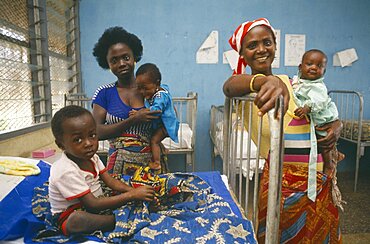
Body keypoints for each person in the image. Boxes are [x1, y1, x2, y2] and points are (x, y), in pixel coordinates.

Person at [223, 18, 343, 243]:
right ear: (242, 54)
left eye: (267, 42)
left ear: (275, 46)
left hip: (319, 178)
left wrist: (338, 125)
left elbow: (322, 109)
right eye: (252, 45)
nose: (261, 49)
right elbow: (228, 86)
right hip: (283, 185)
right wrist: (264, 82)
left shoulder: (294, 83)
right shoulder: (245, 90)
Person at [49, 105, 155, 236]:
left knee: (128, 188)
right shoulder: (66, 170)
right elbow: (92, 204)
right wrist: (131, 195)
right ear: (61, 144)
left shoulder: (92, 157)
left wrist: (133, 191)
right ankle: (115, 221)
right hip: (70, 213)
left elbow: (110, 181)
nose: (88, 143)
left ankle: (113, 217)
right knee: (77, 220)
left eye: (92, 135)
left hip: (95, 203)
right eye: (78, 139)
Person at [92, 26, 168, 176]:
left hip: (151, 165)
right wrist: (133, 120)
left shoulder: (152, 89)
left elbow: (169, 120)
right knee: (119, 198)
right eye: (114, 60)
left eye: (126, 57)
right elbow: (96, 131)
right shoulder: (104, 93)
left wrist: (158, 140)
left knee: (153, 197)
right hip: (118, 169)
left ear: (135, 58)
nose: (121, 63)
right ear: (107, 64)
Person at [293, 49, 345, 176]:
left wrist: (307, 108)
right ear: (300, 67)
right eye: (309, 64)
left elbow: (320, 101)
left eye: (319, 66)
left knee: (323, 141)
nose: (314, 68)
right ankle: (336, 154)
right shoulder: (298, 82)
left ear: (324, 71)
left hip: (323, 118)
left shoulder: (319, 86)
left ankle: (329, 166)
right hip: (314, 118)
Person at [131, 63, 179, 171]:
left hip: (165, 126)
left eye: (145, 88)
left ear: (156, 83)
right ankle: (162, 148)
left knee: (154, 140)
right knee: (154, 136)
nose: (142, 92)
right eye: (139, 88)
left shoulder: (160, 96)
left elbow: (156, 110)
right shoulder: (157, 90)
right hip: (160, 124)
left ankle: (157, 163)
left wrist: (139, 113)